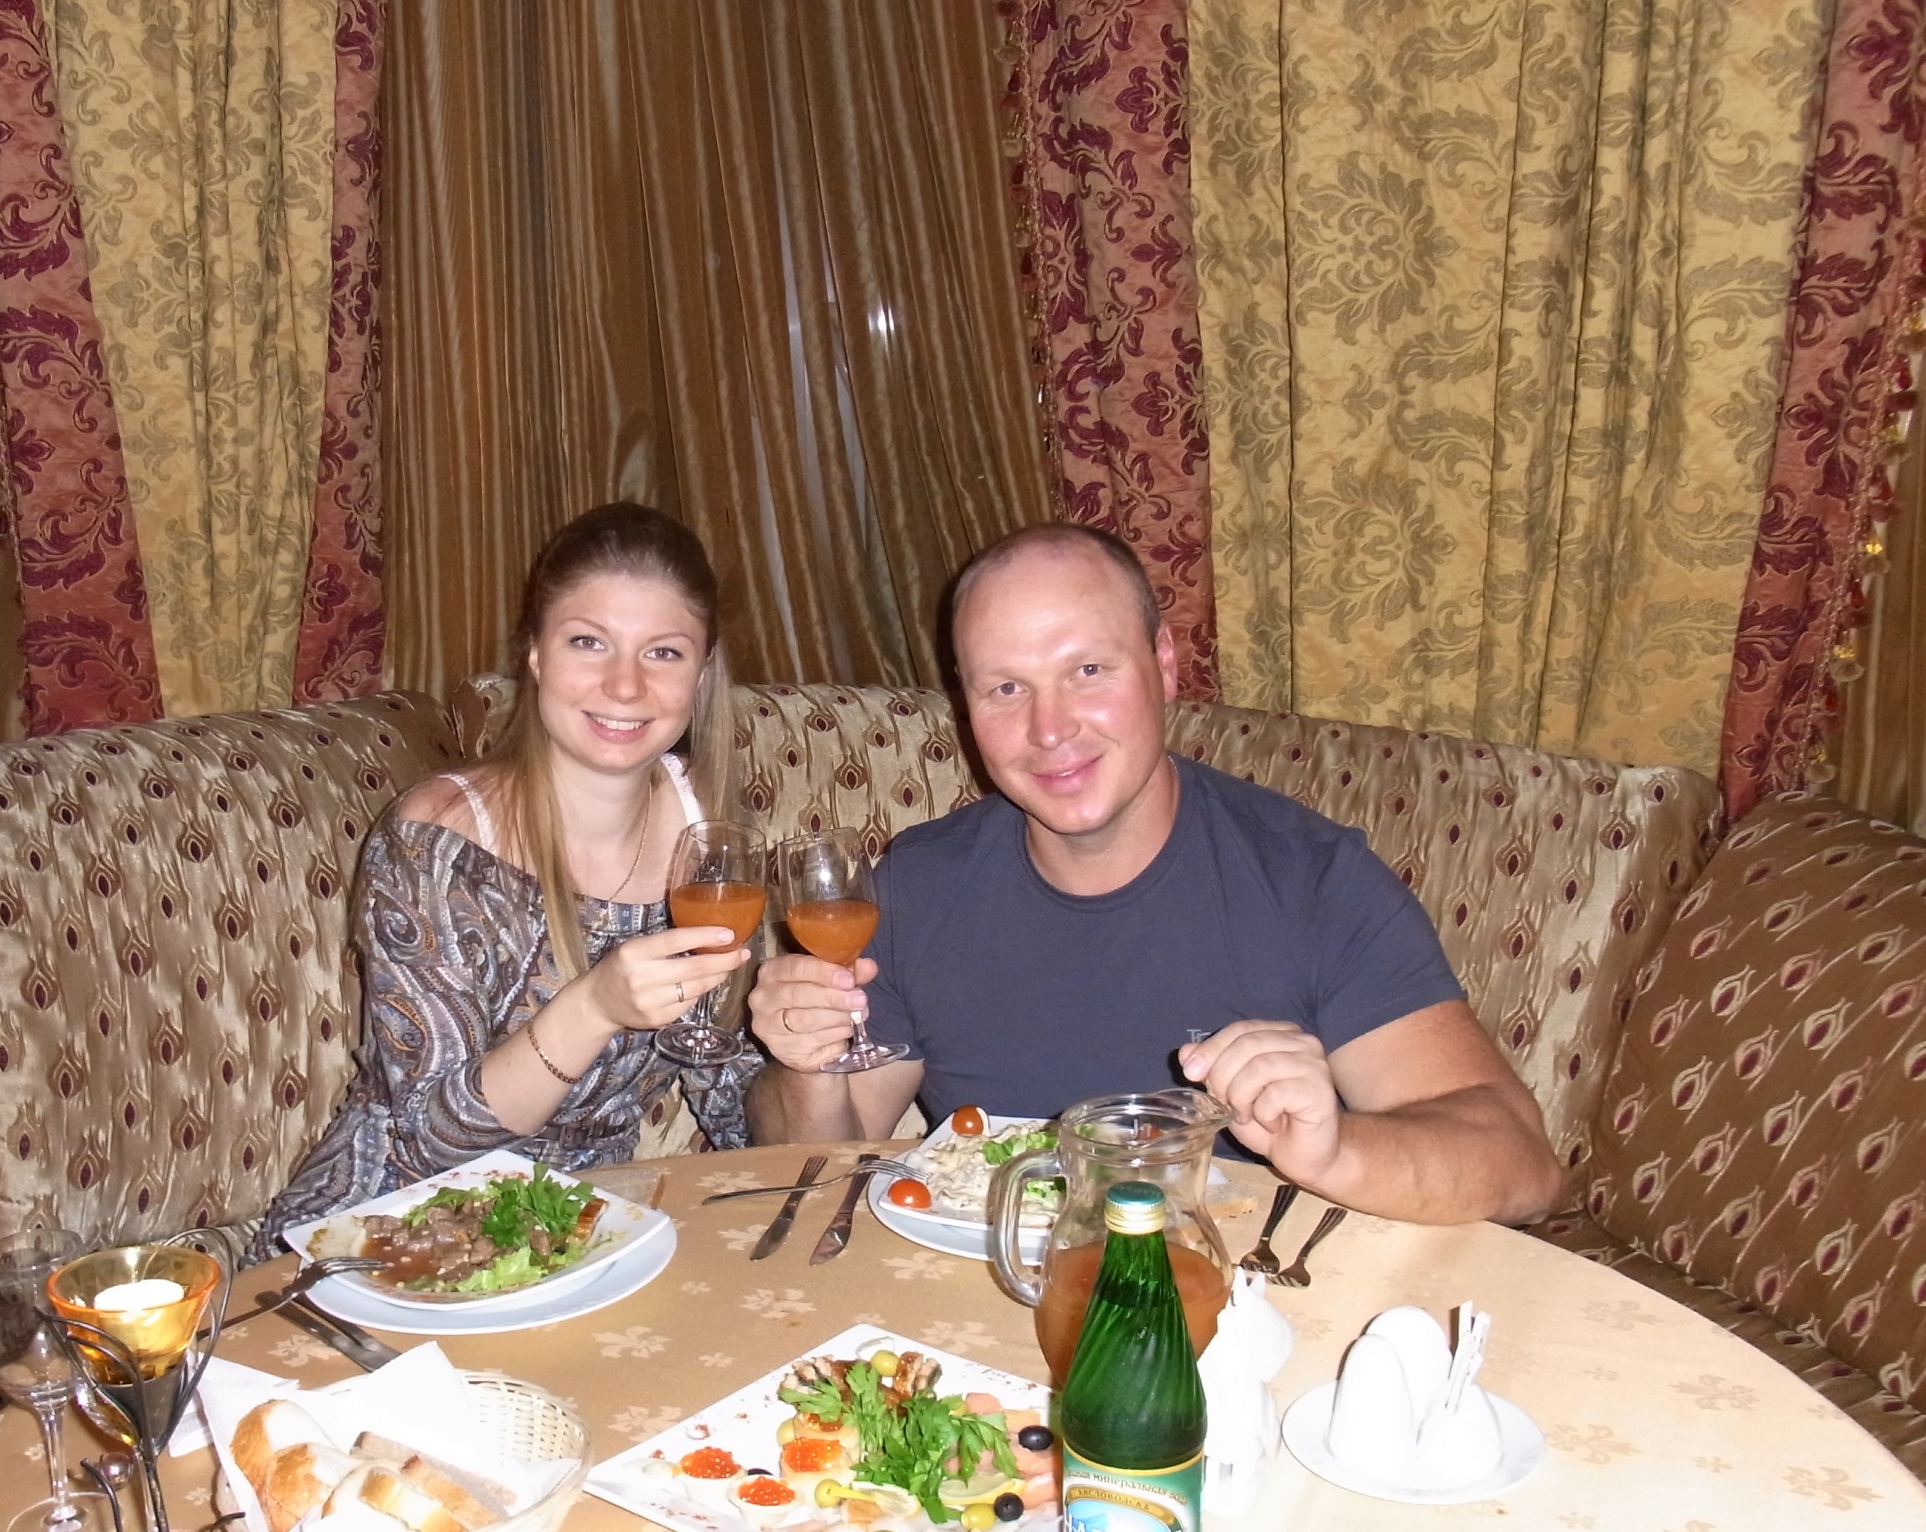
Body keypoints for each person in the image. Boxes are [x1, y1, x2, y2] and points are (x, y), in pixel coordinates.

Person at [745, 522, 1564, 1227]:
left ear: (1164, 664)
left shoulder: (1310, 881)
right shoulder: (917, 886)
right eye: (1006, 688)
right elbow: (820, 1164)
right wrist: (805, 1062)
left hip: (1244, 1308)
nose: (1049, 729)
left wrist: (1336, 1150)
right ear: (966, 709)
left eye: (1088, 671)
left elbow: (1523, 1165)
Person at [255, 503, 762, 1255]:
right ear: (535, 654)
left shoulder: (704, 828)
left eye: (663, 652)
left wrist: (803, 1049)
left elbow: (731, 1101)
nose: (624, 685)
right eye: (587, 642)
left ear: (702, 671)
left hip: (577, 1240)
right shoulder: (436, 839)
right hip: (381, 1239)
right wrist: (594, 1007)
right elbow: (429, 1138)